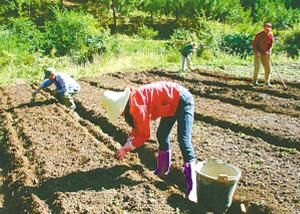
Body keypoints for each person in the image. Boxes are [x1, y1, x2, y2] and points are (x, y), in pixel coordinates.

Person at [99, 81, 197, 202]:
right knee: (161, 135)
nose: (121, 115)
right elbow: (137, 128)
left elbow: (144, 135)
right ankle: (162, 170)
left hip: (182, 100)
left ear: (121, 107)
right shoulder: (133, 101)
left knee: (183, 140)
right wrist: (127, 144)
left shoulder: (137, 106)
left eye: (120, 113)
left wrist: (126, 148)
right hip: (170, 103)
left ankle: (193, 186)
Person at [252, 23, 274, 87]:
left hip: (266, 53)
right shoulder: (258, 35)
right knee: (257, 67)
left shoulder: (271, 35)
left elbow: (271, 44)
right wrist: (257, 52)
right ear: (264, 28)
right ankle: (254, 81)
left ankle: (267, 82)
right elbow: (254, 45)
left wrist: (269, 51)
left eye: (269, 29)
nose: (267, 30)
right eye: (266, 29)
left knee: (268, 68)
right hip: (258, 53)